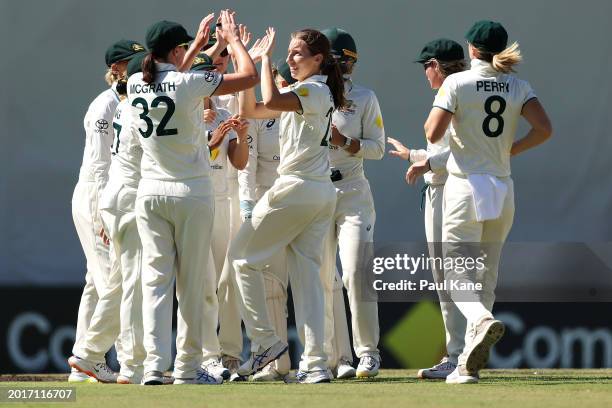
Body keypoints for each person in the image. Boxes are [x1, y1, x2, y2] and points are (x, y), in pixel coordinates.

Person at [409, 20, 552, 384]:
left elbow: (432, 131)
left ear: (471, 48)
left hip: (464, 185)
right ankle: (465, 364)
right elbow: (544, 129)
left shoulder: (457, 82)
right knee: (486, 273)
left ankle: (480, 321)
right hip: (502, 186)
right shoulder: (518, 84)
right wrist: (508, 149)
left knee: (456, 270)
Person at [125, 11, 259, 385]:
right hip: (191, 193)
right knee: (193, 285)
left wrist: (198, 45)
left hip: (150, 193)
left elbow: (170, 72)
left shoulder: (136, 81)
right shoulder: (190, 84)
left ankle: (154, 367)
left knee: (155, 283)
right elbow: (247, 77)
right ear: (177, 49)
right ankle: (186, 370)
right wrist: (232, 41)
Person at [229, 27, 344, 383]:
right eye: (289, 54)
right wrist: (244, 59)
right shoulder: (305, 90)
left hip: (297, 189)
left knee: (241, 258)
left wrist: (262, 59)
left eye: (297, 54)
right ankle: (315, 364)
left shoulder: (314, 88)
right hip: (316, 193)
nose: (291, 60)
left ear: (318, 60)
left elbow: (272, 100)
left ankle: (265, 342)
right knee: (307, 277)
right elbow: (251, 108)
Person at [387, 38, 468, 380]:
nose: (424, 74)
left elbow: (462, 154)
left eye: (426, 67)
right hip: (446, 189)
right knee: (450, 276)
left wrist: (425, 162)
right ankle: (460, 353)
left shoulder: (453, 95)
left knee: (452, 275)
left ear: (436, 65)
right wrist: (413, 156)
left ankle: (458, 355)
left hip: (449, 192)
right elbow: (447, 152)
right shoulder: (458, 92)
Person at [68, 39, 145, 383]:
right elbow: (101, 165)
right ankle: (126, 363)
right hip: (98, 195)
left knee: (97, 284)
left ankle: (84, 366)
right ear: (116, 69)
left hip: (106, 196)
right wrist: (102, 214)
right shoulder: (105, 105)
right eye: (131, 63)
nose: (140, 67)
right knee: (117, 280)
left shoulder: (131, 100)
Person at [320, 27, 385, 378]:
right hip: (315, 192)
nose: (346, 69)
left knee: (356, 272)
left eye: (349, 62)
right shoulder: (307, 93)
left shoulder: (364, 96)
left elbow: (377, 147)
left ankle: (367, 353)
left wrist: (344, 141)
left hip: (352, 191)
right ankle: (336, 358)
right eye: (341, 61)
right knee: (321, 277)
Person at [190, 53, 250, 380]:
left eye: (211, 75)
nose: (209, 82)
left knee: (226, 281)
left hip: (223, 203)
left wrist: (239, 136)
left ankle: (229, 356)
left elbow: (238, 163)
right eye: (204, 75)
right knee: (204, 282)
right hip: (196, 201)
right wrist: (210, 138)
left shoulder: (224, 113)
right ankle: (206, 356)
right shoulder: (182, 115)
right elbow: (190, 160)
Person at [236, 59, 296, 381]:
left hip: (298, 199)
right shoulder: (263, 114)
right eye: (275, 79)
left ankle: (327, 361)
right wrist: (248, 205)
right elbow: (248, 164)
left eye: (281, 81)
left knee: (319, 280)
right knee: (271, 284)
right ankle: (276, 364)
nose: (279, 85)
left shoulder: (304, 107)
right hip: (265, 200)